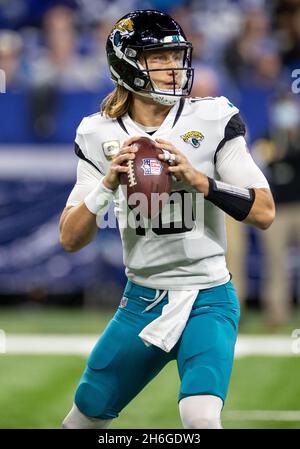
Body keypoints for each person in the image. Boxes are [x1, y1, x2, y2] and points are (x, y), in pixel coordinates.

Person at [59, 10, 275, 429]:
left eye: (176, 55)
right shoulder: (96, 133)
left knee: (200, 417)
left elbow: (264, 211)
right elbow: (70, 238)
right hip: (142, 299)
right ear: (127, 65)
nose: (173, 67)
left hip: (208, 294)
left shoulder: (212, 118)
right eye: (159, 58)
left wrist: (200, 181)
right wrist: (107, 185)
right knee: (81, 418)